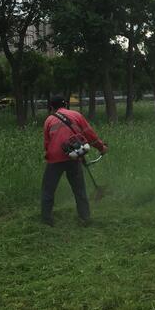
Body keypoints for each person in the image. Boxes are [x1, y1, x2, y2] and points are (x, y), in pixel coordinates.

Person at [41, 95, 108, 227]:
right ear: (65, 104)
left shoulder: (49, 120)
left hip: (54, 160)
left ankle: (46, 220)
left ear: (51, 107)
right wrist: (101, 147)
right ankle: (85, 218)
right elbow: (90, 134)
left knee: (48, 190)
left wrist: (50, 156)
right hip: (74, 158)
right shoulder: (76, 115)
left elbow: (47, 144)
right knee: (79, 189)